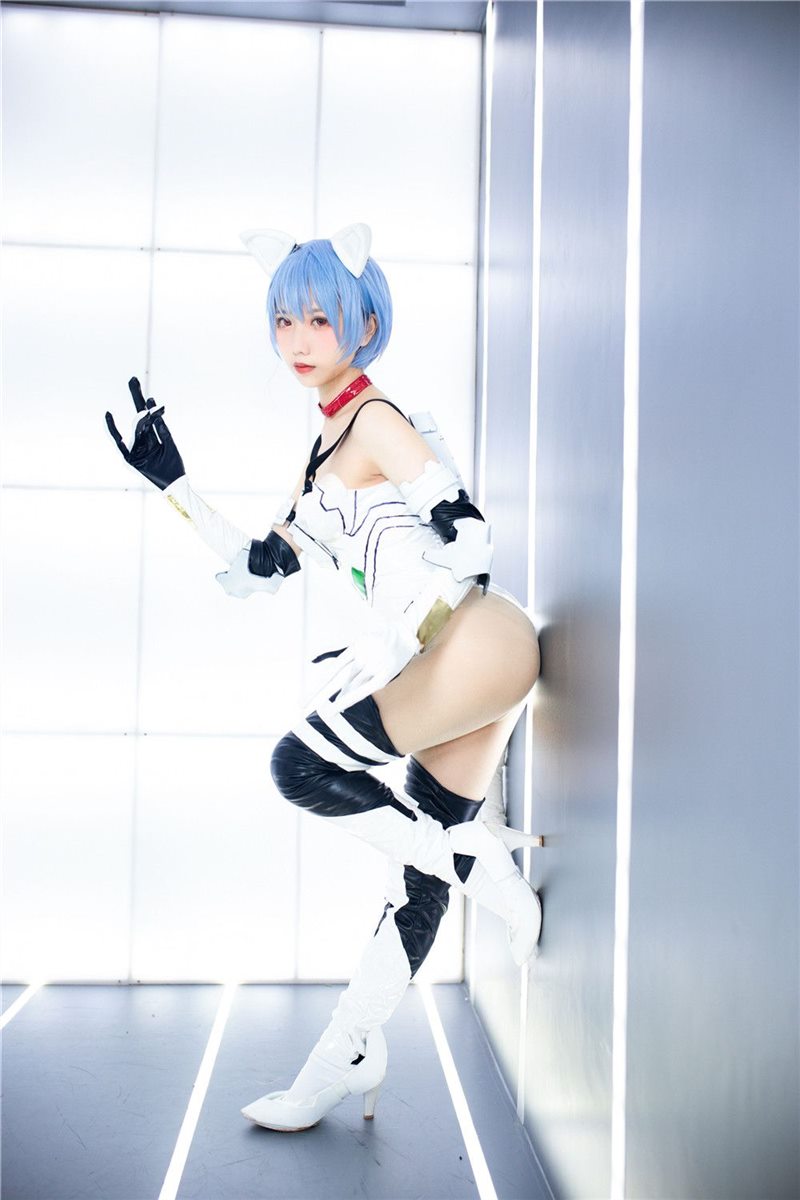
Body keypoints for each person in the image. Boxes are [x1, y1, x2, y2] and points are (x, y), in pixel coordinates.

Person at [105, 222, 543, 1134]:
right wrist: (173, 485)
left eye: (319, 319)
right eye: (285, 321)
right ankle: (346, 1055)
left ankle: (473, 860)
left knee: (299, 765)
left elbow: (470, 538)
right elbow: (258, 568)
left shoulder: (377, 420)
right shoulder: (324, 450)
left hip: (473, 640)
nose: (300, 340)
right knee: (411, 879)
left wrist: (397, 645)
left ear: (363, 323)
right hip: (464, 658)